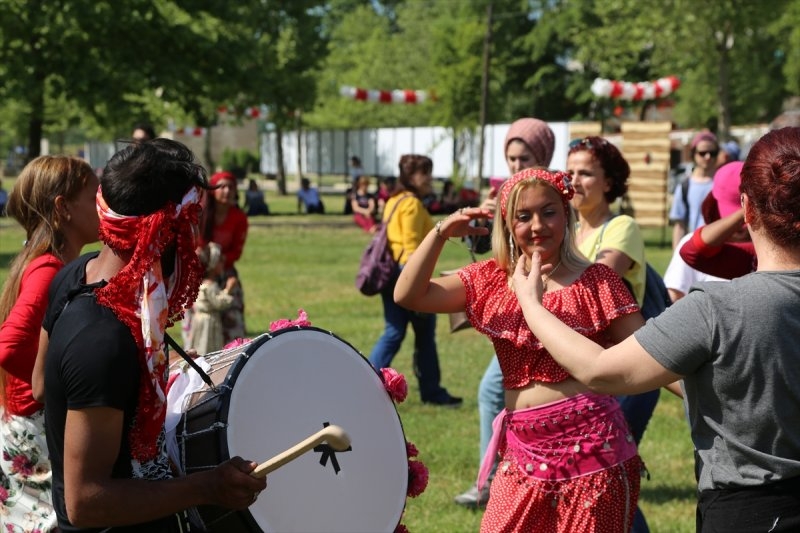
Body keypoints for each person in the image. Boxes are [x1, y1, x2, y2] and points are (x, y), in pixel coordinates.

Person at [511, 127, 800, 532]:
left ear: (746, 209)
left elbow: (602, 369)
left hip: (750, 511)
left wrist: (531, 304)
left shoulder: (716, 308)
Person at [395, 167, 644, 532]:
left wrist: (703, 391)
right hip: (523, 453)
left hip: (594, 450)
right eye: (523, 216)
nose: (538, 225)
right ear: (508, 225)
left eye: (549, 211)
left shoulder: (598, 281)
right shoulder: (490, 279)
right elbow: (408, 294)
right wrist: (441, 232)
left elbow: (649, 353)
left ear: (567, 213)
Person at [42, 138, 266, 532]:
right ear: (165, 232)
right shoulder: (105, 341)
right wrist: (206, 486)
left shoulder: (75, 274)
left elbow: (44, 386)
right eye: (190, 220)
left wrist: (149, 374)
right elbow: (86, 502)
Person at [454, 117, 556, 509]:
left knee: (495, 389)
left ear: (542, 155)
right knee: (501, 391)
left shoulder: (552, 193)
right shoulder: (503, 193)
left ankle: (492, 482)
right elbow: (488, 253)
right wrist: (485, 221)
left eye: (524, 157)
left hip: (548, 307)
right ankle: (503, 477)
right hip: (513, 309)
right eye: (511, 158)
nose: (515, 166)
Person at [0, 156, 100, 531]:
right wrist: (53, 385)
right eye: (94, 196)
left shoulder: (51, 263)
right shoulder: (49, 271)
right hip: (35, 434)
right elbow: (8, 346)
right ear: (64, 208)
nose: (103, 205)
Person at [568, 135, 657, 533]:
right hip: (581, 371)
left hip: (626, 373)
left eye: (585, 173)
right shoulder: (565, 231)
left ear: (608, 182)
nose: (574, 180)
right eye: (569, 172)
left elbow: (595, 281)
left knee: (607, 473)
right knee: (593, 477)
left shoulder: (622, 227)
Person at [368, 154, 462, 407]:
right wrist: (419, 284)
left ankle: (365, 380)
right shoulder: (411, 205)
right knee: (423, 334)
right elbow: (411, 249)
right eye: (425, 173)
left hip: (391, 277)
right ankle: (432, 391)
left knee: (395, 331)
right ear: (411, 177)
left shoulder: (394, 201)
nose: (430, 179)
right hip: (406, 274)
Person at [679, 161, 756, 279]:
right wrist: (749, 209)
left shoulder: (762, 252)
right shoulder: (751, 254)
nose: (742, 225)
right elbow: (691, 252)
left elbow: (692, 251)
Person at [198, 171, 248, 344]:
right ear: (212, 190)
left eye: (231, 187)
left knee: (232, 321)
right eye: (222, 186)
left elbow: (236, 251)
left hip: (225, 271)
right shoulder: (202, 215)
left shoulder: (239, 218)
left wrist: (219, 261)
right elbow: (196, 243)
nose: (226, 191)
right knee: (200, 318)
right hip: (201, 273)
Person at [669, 131, 719, 249]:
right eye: (702, 153)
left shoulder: (722, 183)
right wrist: (677, 256)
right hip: (695, 249)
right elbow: (679, 225)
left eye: (712, 153)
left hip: (720, 249)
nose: (707, 157)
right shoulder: (684, 186)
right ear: (693, 154)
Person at [185, 243, 237, 356]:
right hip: (207, 324)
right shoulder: (209, 286)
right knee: (206, 349)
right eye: (220, 261)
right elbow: (219, 303)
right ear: (213, 264)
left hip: (200, 320)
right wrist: (228, 289)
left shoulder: (203, 283)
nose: (222, 264)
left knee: (200, 346)